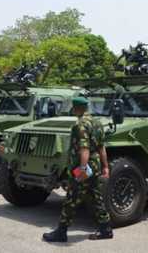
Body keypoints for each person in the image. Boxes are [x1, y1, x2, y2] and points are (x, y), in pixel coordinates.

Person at [43, 96, 113, 242]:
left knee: (72, 197)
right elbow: (101, 147)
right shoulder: (98, 123)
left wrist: (82, 168)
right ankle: (105, 228)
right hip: (95, 166)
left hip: (84, 166)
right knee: (95, 196)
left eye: (73, 108)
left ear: (77, 109)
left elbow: (84, 148)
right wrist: (106, 166)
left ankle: (61, 232)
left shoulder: (80, 125)